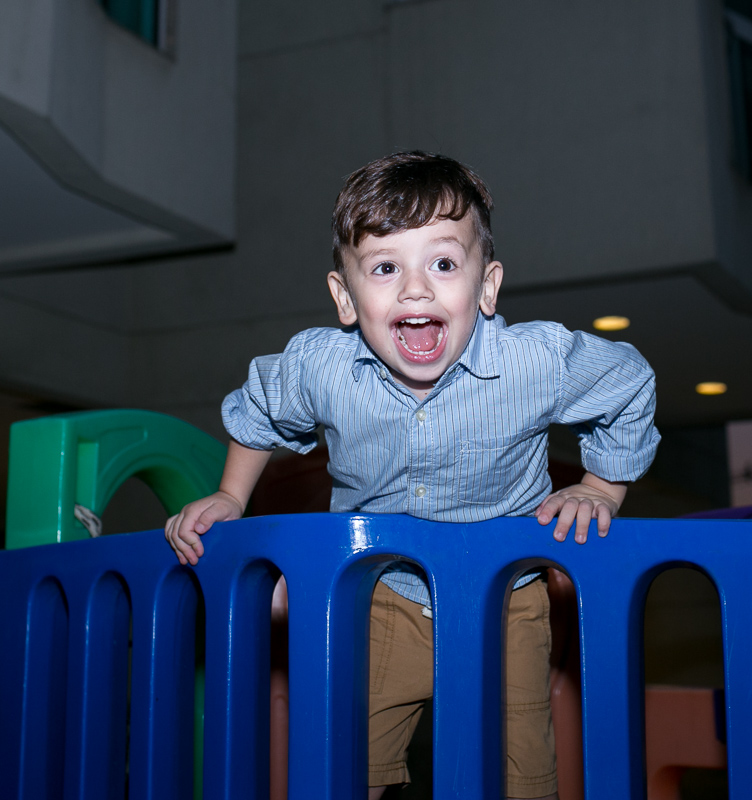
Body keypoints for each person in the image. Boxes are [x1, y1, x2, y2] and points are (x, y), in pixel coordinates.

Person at [163, 151, 660, 799]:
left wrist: (601, 488)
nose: (416, 289)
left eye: (444, 264)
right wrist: (232, 494)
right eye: (385, 267)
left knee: (520, 768)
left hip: (505, 597)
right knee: (349, 761)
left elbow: (627, 383)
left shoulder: (535, 361)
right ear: (345, 297)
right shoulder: (322, 368)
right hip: (380, 595)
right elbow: (259, 408)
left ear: (486, 287)